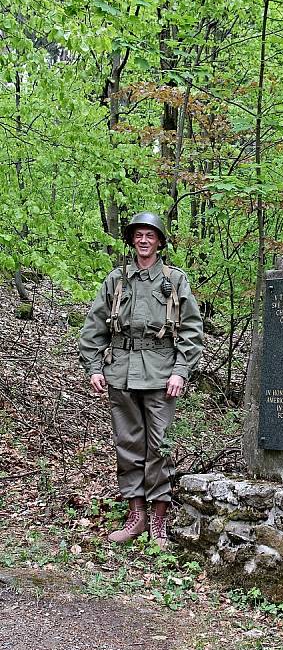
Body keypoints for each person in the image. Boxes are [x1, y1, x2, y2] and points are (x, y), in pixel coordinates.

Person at [79, 212, 203, 549]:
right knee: (128, 444)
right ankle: (137, 516)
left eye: (150, 235)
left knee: (159, 446)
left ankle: (159, 520)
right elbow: (94, 328)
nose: (144, 240)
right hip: (120, 371)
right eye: (138, 235)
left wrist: (181, 370)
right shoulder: (117, 280)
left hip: (163, 375)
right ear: (132, 240)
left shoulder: (175, 280)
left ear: (160, 241)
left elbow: (191, 330)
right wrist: (94, 367)